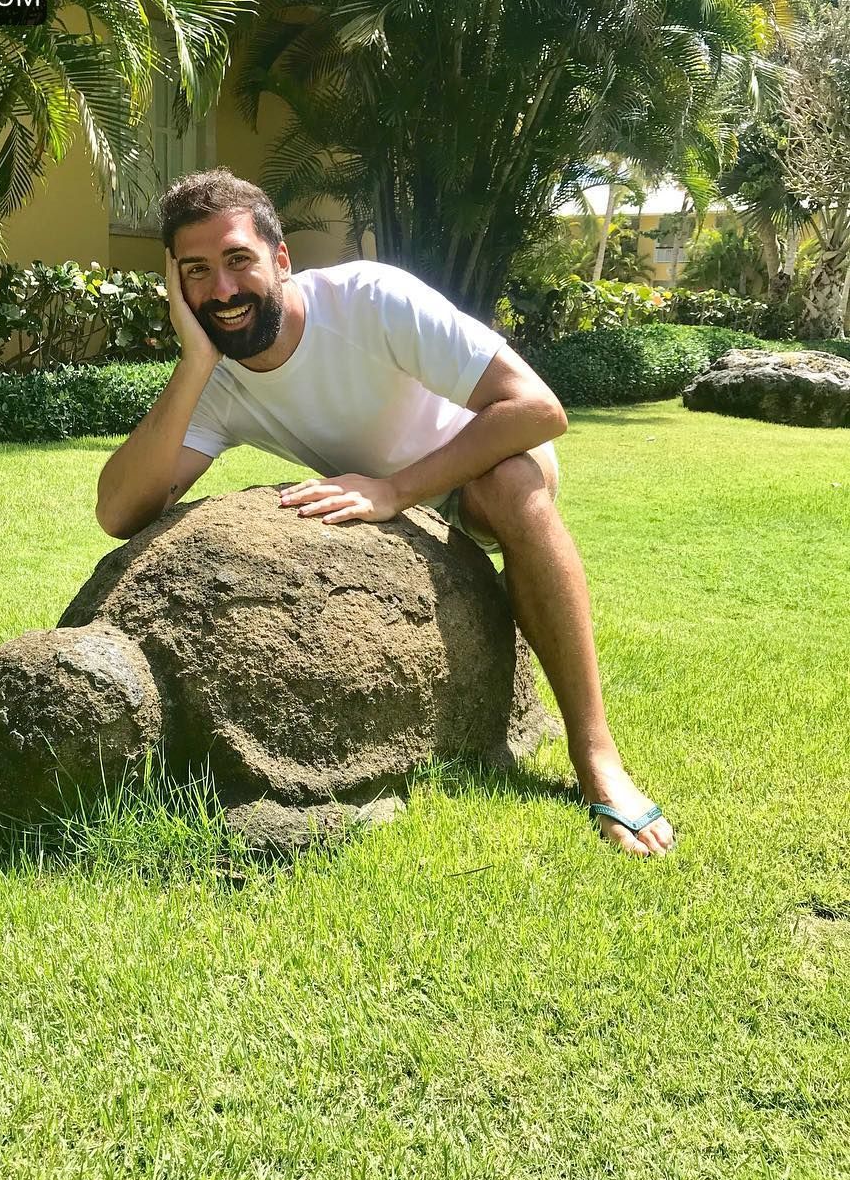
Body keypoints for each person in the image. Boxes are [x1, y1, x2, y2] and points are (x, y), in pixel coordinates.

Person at [96, 169, 674, 857]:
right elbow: (119, 510)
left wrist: (395, 490)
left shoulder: (370, 301)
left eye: (238, 260)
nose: (221, 290)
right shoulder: (220, 382)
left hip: (478, 463)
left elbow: (537, 410)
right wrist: (194, 362)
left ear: (281, 259)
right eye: (196, 272)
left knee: (511, 482)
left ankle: (597, 756)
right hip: (394, 502)